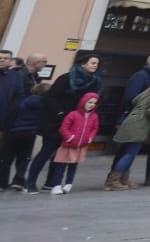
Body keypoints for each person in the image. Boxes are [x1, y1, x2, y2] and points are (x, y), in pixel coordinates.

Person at [26, 53, 100, 193]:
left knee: (60, 155)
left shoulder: (94, 82)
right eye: (93, 63)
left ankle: (51, 183)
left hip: (74, 124)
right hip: (56, 122)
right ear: (83, 63)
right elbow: (50, 98)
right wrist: (60, 113)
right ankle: (29, 183)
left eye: (97, 64)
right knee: (46, 152)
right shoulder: (66, 78)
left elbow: (91, 101)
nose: (95, 66)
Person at [106, 75, 150, 190]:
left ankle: (123, 179)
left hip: (129, 122)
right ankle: (113, 181)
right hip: (140, 126)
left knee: (124, 152)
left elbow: (134, 100)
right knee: (130, 154)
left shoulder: (148, 91)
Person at [46, 92, 99, 194]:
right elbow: (63, 128)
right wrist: (69, 137)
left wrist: (90, 138)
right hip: (68, 145)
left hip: (80, 146)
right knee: (61, 166)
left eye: (94, 103)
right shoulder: (73, 114)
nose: (92, 105)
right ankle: (56, 185)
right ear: (83, 102)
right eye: (89, 102)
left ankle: (68, 184)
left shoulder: (94, 117)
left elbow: (95, 128)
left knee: (73, 166)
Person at [4, 82, 47, 189]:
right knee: (24, 158)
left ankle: (2, 183)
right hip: (30, 133)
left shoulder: (24, 100)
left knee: (7, 158)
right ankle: (18, 181)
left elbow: (13, 113)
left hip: (14, 131)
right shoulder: (44, 104)